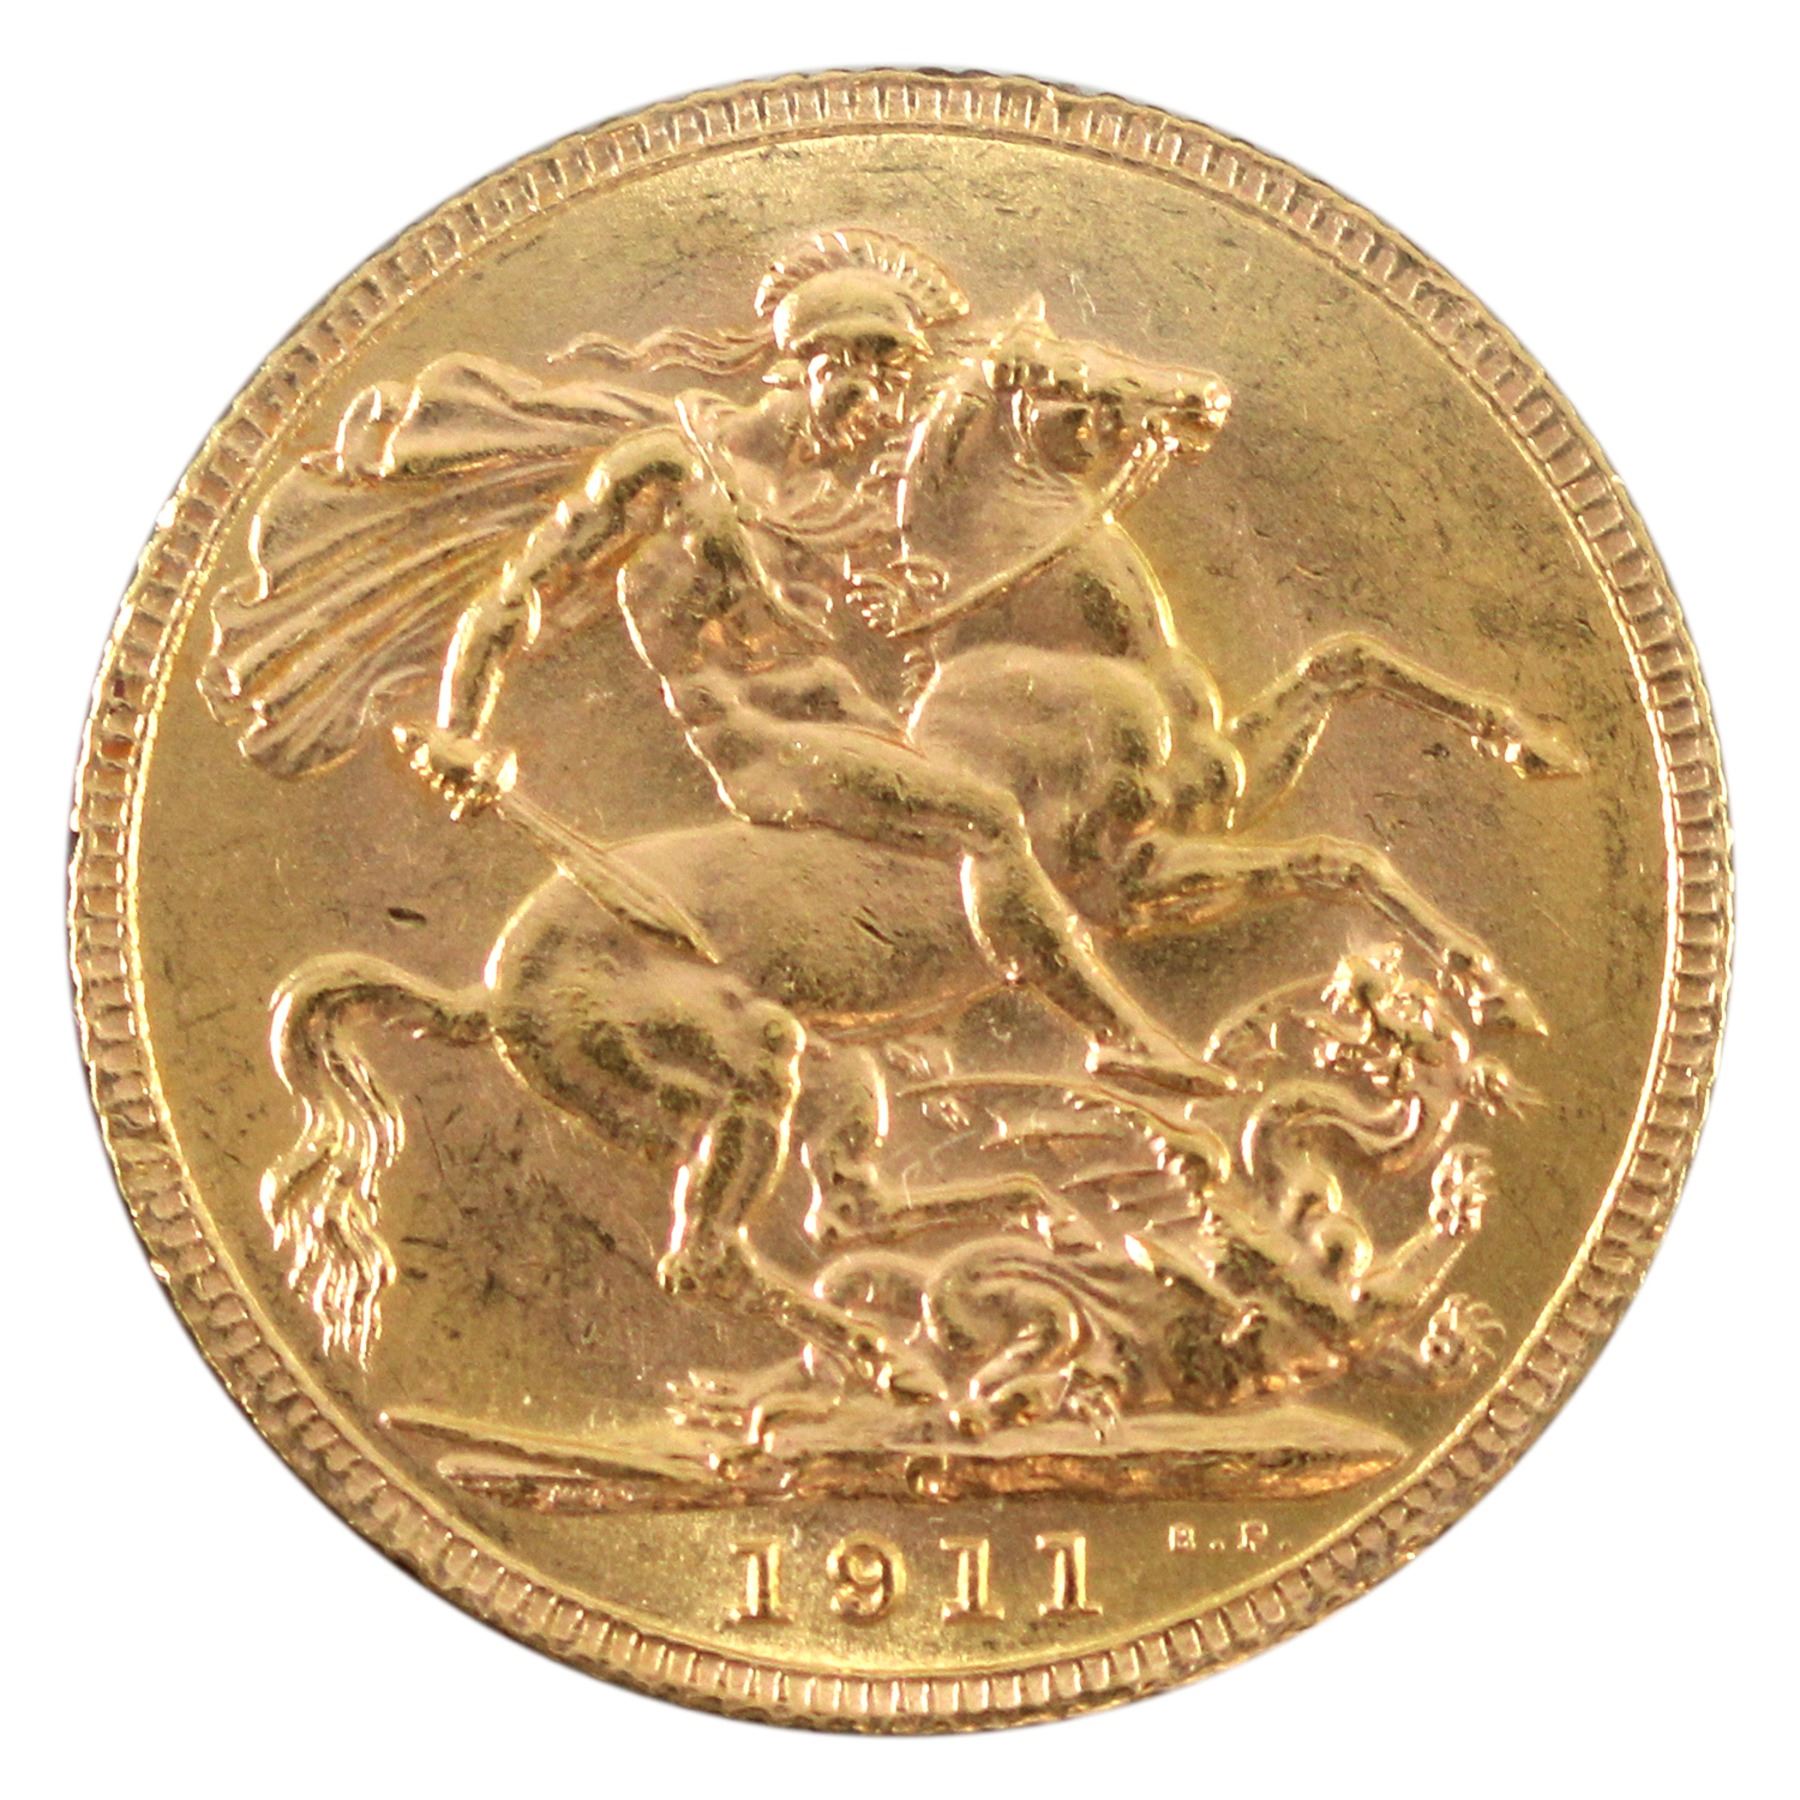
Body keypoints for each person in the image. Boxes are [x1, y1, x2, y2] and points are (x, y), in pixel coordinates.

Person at [401, 229, 1218, 1095]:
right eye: (883, 384)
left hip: (859, 730)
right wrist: (460, 728)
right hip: (760, 739)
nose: (886, 414)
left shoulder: (824, 504)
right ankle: (1118, 1037)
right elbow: (518, 598)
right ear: (829, 365)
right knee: (985, 818)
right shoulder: (668, 472)